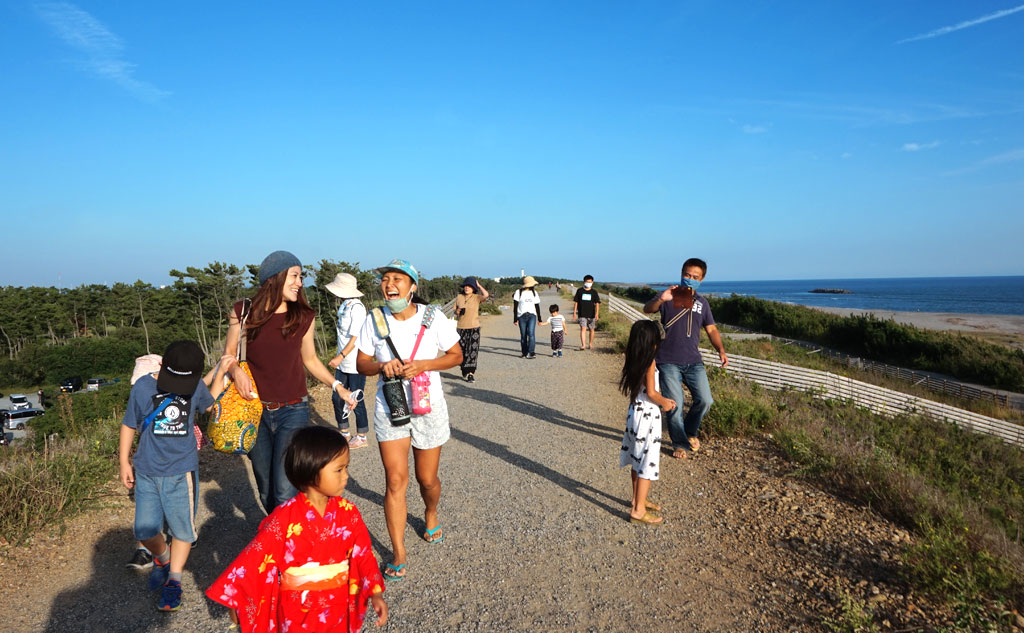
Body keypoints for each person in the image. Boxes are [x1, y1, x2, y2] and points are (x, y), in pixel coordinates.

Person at [206, 426, 388, 632]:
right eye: (339, 469)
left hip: (337, 608)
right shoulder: (283, 518)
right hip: (295, 612)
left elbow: (363, 555)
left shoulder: (349, 512)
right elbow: (254, 560)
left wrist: (375, 593)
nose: (346, 476)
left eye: (346, 468)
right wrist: (239, 600)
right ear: (310, 470)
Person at [224, 250, 356, 514]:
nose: (300, 282)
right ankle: (283, 533)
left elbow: (311, 360)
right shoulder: (244, 311)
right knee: (265, 487)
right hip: (254, 411)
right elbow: (228, 355)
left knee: (285, 489)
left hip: (293, 411)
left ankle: (286, 546)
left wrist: (337, 386)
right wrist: (236, 371)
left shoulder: (304, 316)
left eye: (301, 276)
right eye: (294, 276)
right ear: (275, 277)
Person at [356, 259, 462, 582]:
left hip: (428, 405)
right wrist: (380, 368)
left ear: (412, 286)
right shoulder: (373, 319)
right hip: (391, 406)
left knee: (426, 479)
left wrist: (425, 365)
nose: (389, 284)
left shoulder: (433, 318)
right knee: (395, 480)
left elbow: (456, 356)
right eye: (385, 279)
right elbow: (361, 363)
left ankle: (430, 512)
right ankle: (398, 551)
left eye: (397, 279)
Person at [119, 340, 229, 611]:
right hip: (146, 471)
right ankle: (164, 559)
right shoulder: (143, 387)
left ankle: (174, 581)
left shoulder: (196, 385)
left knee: (182, 529)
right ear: (162, 367)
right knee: (144, 529)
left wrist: (222, 374)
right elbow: (129, 423)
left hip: (182, 472)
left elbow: (208, 405)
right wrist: (124, 461)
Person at [643, 258, 728, 459]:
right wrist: (661, 299)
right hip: (667, 359)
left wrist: (721, 350)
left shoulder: (703, 303)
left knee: (705, 400)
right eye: (687, 275)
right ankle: (680, 443)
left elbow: (712, 329)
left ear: (702, 279)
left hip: (693, 360)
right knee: (675, 404)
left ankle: (689, 432)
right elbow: (648, 309)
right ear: (681, 273)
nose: (690, 279)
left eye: (695, 277)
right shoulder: (668, 295)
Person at [618, 321, 676, 526]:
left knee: (636, 457)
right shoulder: (649, 362)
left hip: (635, 412)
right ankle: (638, 510)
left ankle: (637, 499)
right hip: (648, 416)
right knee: (646, 462)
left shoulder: (633, 356)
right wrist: (666, 403)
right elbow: (651, 393)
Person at [326, 272, 370, 449]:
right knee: (337, 397)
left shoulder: (358, 308)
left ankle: (361, 435)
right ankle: (344, 431)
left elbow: (355, 338)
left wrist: (340, 356)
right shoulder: (345, 304)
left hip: (354, 361)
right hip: (343, 362)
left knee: (355, 398)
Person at [454, 277, 490, 382]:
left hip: (474, 327)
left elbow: (486, 295)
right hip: (461, 327)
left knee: (472, 350)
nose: (466, 288)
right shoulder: (459, 297)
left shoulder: (477, 297)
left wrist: (479, 285)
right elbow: (454, 311)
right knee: (462, 351)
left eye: (469, 286)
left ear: (473, 288)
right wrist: (458, 311)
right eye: (465, 286)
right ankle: (464, 368)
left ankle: (470, 373)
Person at [512, 276, 542, 359]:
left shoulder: (534, 293)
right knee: (523, 335)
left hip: (532, 315)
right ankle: (524, 352)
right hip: (521, 316)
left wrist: (539, 319)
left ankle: (531, 352)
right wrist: (515, 319)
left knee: (531, 334)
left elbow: (537, 306)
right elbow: (515, 307)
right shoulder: (518, 292)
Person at [573, 274, 601, 350]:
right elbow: (576, 302)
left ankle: (590, 344)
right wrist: (574, 313)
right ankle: (583, 345)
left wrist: (597, 313)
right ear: (584, 282)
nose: (588, 283)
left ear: (593, 282)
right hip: (582, 313)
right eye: (587, 281)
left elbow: (597, 303)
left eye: (590, 282)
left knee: (592, 329)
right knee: (583, 329)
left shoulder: (594, 292)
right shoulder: (579, 291)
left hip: (591, 314)